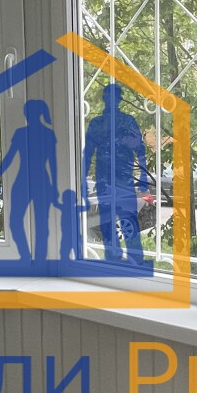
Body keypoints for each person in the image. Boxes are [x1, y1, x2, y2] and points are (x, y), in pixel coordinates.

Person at [82, 83, 150, 270]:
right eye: (109, 96)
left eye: (116, 97)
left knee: (129, 220)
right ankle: (113, 261)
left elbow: (140, 151)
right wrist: (82, 181)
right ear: (104, 99)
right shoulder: (96, 124)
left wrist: (144, 179)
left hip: (124, 182)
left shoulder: (128, 122)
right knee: (107, 222)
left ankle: (136, 261)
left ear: (120, 100)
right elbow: (87, 154)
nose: (112, 100)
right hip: (104, 182)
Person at [0, 99, 59, 264]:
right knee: (15, 221)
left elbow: (53, 163)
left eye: (27, 112)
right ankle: (25, 256)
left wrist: (55, 187)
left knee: (41, 223)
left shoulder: (47, 134)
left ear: (35, 114)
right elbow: (10, 156)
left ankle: (39, 261)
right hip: (24, 180)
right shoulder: (21, 133)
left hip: (39, 181)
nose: (26, 115)